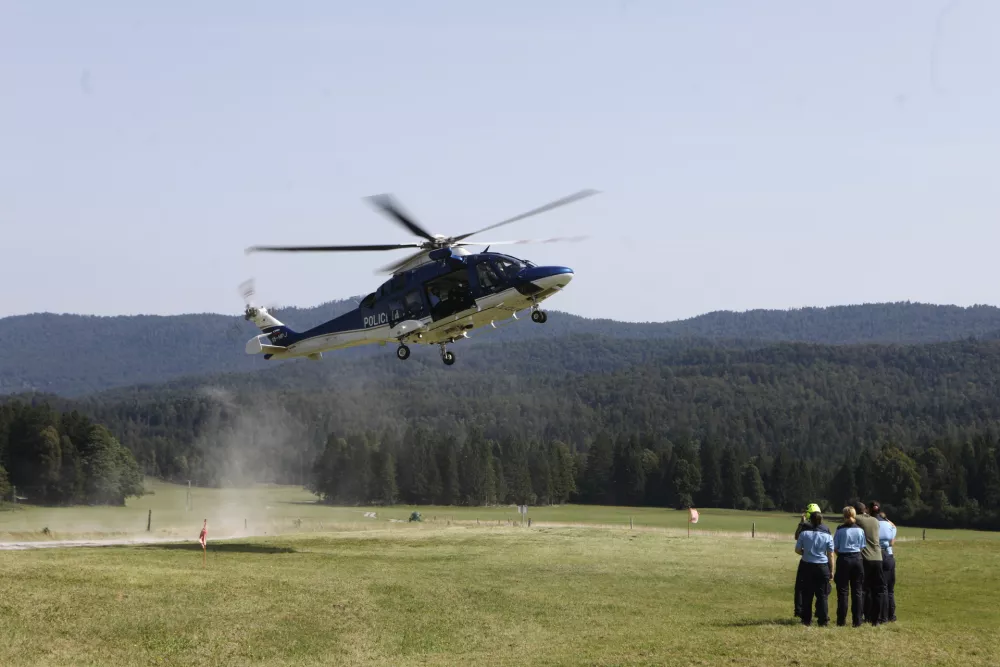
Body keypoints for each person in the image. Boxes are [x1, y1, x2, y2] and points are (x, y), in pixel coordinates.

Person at [795, 510, 835, 627]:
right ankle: (823, 620)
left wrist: (805, 553)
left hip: (807, 565)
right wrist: (831, 570)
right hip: (822, 566)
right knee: (822, 595)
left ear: (810, 521)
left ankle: (806, 619)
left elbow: (797, 550)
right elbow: (831, 554)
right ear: (821, 521)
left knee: (807, 594)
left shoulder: (804, 534)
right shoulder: (827, 535)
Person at [833, 506, 866, 627]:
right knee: (857, 591)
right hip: (857, 559)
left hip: (843, 559)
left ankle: (841, 621)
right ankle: (857, 621)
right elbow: (862, 546)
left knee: (843, 592)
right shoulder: (860, 530)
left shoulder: (840, 529)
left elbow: (835, 547)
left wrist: (841, 555)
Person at [855, 500, 886, 626]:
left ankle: (862, 616)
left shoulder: (858, 519)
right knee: (877, 590)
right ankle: (876, 619)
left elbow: (848, 517)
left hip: (866, 558)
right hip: (878, 557)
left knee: (863, 589)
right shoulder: (875, 521)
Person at [875, 503, 897, 622]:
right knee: (890, 589)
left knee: (881, 588)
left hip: (879, 555)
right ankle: (891, 615)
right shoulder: (891, 527)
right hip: (890, 556)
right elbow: (892, 542)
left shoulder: (875, 525)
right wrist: (887, 520)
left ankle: (881, 616)